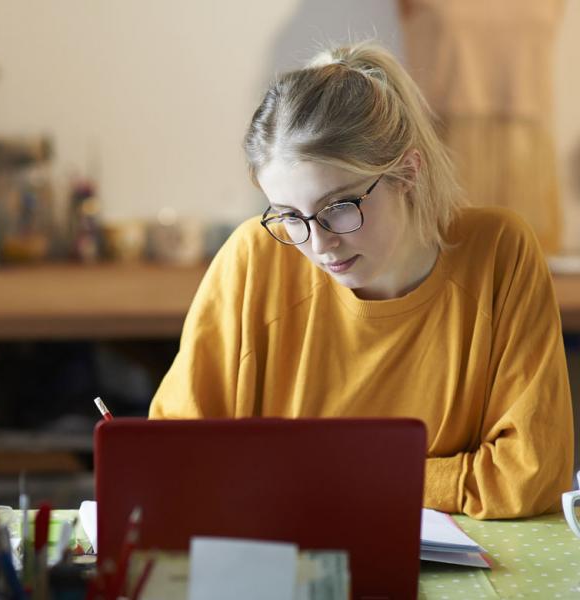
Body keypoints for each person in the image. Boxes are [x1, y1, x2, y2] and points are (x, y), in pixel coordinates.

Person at [148, 41, 573, 519]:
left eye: (339, 207)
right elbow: (174, 455)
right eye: (290, 215)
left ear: (407, 174)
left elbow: (531, 475)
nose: (319, 245)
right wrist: (434, 477)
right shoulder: (254, 258)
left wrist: (316, 476)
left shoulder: (500, 252)